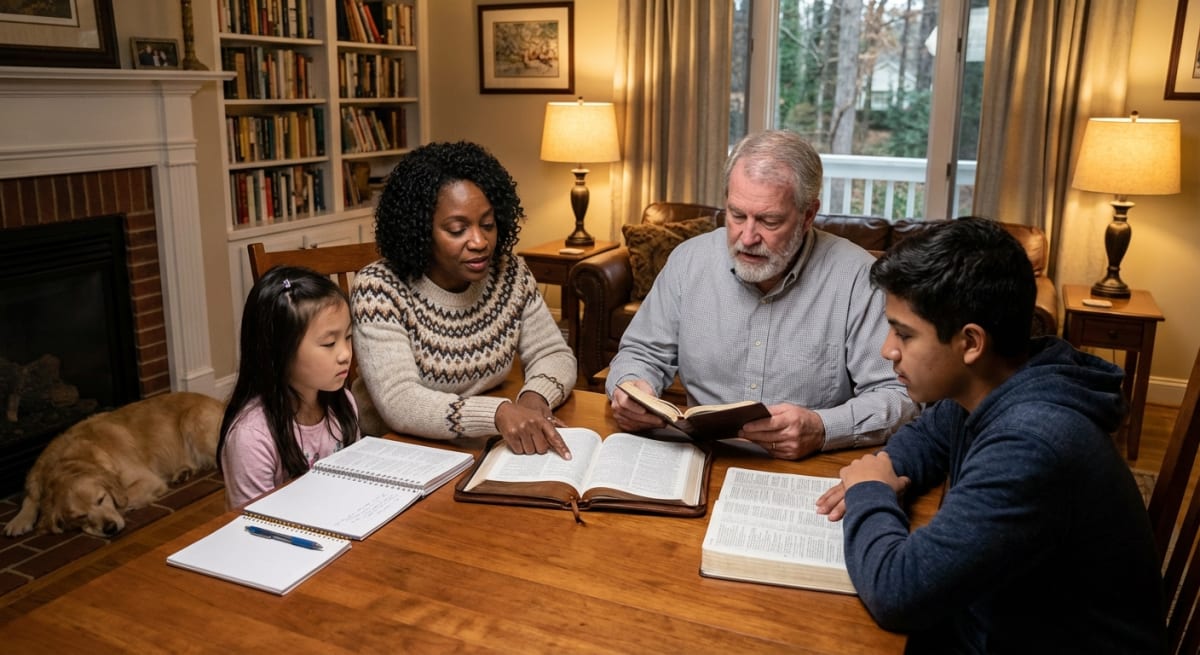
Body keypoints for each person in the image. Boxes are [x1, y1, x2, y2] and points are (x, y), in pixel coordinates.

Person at [815, 217, 1166, 652]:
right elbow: (928, 436)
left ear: (971, 343)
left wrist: (870, 489)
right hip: (998, 619)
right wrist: (886, 464)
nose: (888, 350)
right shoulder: (997, 380)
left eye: (904, 334)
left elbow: (898, 593)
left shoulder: (1032, 444)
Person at [606, 130, 917, 458]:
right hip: (700, 457)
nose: (748, 236)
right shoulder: (689, 261)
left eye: (769, 221)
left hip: (806, 466)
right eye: (737, 215)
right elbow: (640, 354)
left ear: (808, 215)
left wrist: (823, 427)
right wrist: (631, 387)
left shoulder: (856, 277)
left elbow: (898, 394)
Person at [351, 141, 577, 459]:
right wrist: (497, 413)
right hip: (393, 449)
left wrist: (535, 396)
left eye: (487, 224)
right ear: (419, 231)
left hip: (473, 447)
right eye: (457, 229)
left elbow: (553, 353)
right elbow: (399, 401)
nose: (479, 241)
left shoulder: (508, 272)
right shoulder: (379, 289)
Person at [217, 266, 360, 509]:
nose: (345, 354)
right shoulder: (252, 436)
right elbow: (255, 525)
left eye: (347, 337)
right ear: (279, 350)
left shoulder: (343, 402)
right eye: (329, 343)